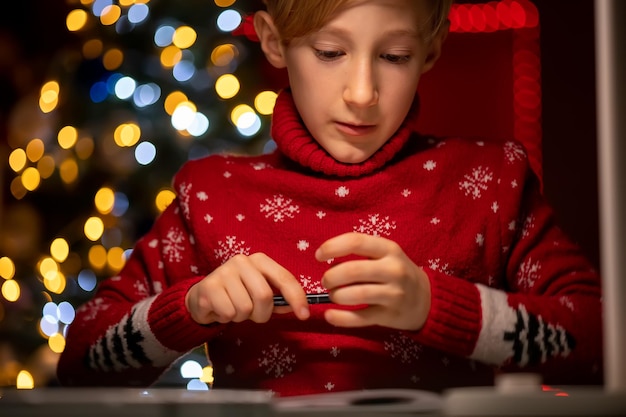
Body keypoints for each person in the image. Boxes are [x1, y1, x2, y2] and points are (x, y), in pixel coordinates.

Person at [57, 0, 603, 396]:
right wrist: (190, 307)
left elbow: (600, 339)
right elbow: (81, 361)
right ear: (273, 41)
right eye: (330, 51)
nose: (361, 93)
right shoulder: (212, 194)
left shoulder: (491, 181)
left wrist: (438, 309)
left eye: (393, 56)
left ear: (432, 49)